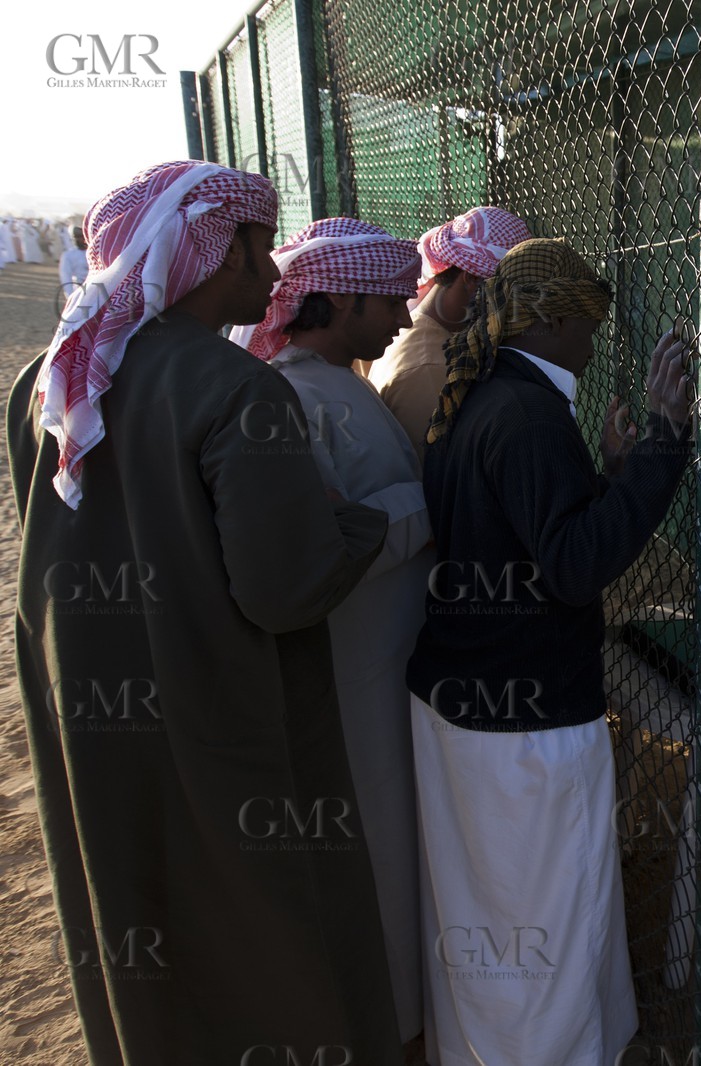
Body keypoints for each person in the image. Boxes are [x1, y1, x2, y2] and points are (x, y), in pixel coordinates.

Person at [6, 161, 402, 1063]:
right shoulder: (236, 389)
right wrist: (361, 518)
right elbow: (285, 587)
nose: (271, 281)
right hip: (223, 718)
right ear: (208, 249)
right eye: (259, 250)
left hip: (90, 715)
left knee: (130, 903)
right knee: (270, 941)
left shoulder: (49, 375)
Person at [406, 238, 692, 1066]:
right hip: (520, 727)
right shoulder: (529, 411)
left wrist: (605, 478)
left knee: (480, 915)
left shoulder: (481, 395)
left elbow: (526, 537)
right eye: (590, 323)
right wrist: (664, 445)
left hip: (456, 704)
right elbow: (571, 568)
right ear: (557, 317)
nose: (595, 341)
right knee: (548, 924)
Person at [232, 216, 433, 1045]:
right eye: (389, 300)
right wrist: (442, 502)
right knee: (379, 843)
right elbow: (327, 539)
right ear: (340, 297)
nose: (400, 318)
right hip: (351, 670)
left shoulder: (336, 382)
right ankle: (390, 1023)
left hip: (387, 658)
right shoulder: (294, 398)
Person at [358, 206, 533, 456]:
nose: (514, 306)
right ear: (471, 279)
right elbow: (440, 480)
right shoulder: (432, 369)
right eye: (509, 292)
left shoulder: (423, 326)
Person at [58, 225, 88, 300]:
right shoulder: (68, 255)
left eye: (82, 237)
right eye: (77, 238)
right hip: (79, 290)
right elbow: (66, 277)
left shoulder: (95, 253)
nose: (81, 240)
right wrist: (70, 296)